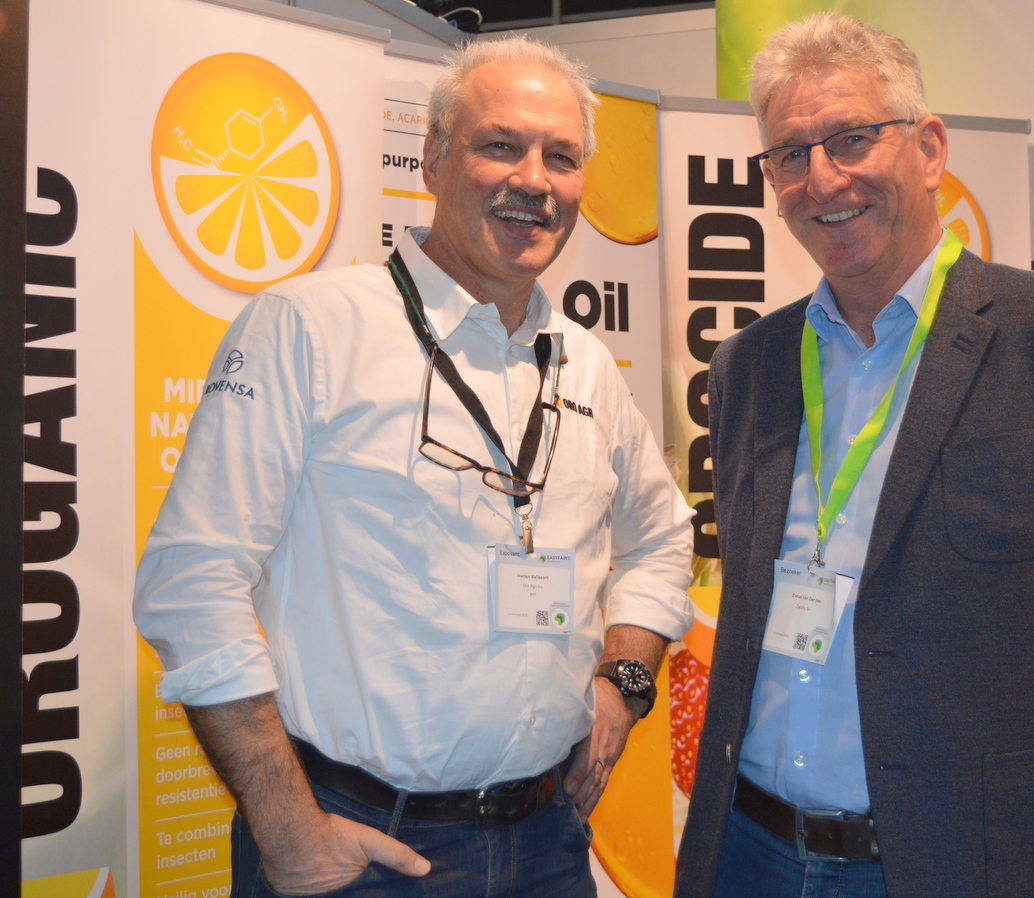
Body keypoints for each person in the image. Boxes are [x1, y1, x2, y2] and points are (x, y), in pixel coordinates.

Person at [134, 35, 694, 898]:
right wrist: (287, 828)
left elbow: (660, 538)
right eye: (500, 145)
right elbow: (191, 580)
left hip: (547, 843)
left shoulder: (585, 364)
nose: (535, 180)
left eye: (562, 156)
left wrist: (623, 680)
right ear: (432, 159)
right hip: (361, 850)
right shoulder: (310, 328)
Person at [674, 13, 1034, 898]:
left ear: (928, 150)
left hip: (958, 865)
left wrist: (1020, 806)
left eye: (851, 139)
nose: (821, 179)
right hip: (747, 854)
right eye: (791, 155)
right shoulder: (747, 367)